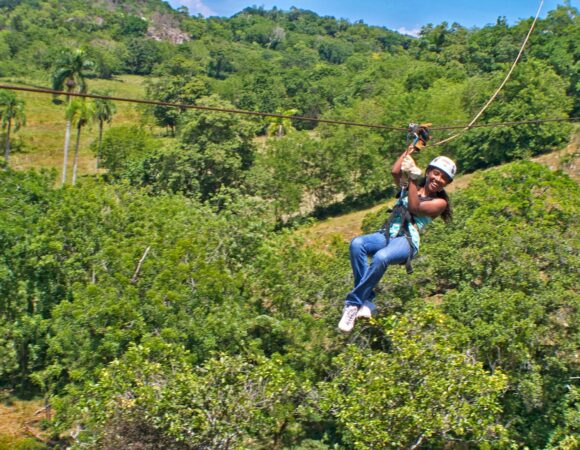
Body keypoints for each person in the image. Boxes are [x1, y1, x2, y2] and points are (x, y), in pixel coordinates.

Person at [338, 146, 456, 333]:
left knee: (381, 257)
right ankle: (366, 299)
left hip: (407, 240)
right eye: (436, 174)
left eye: (444, 179)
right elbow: (395, 171)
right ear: (429, 172)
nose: (438, 180)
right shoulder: (413, 185)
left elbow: (415, 207)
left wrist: (411, 179)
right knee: (357, 244)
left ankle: (353, 304)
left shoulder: (440, 203)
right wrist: (411, 148)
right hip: (389, 233)